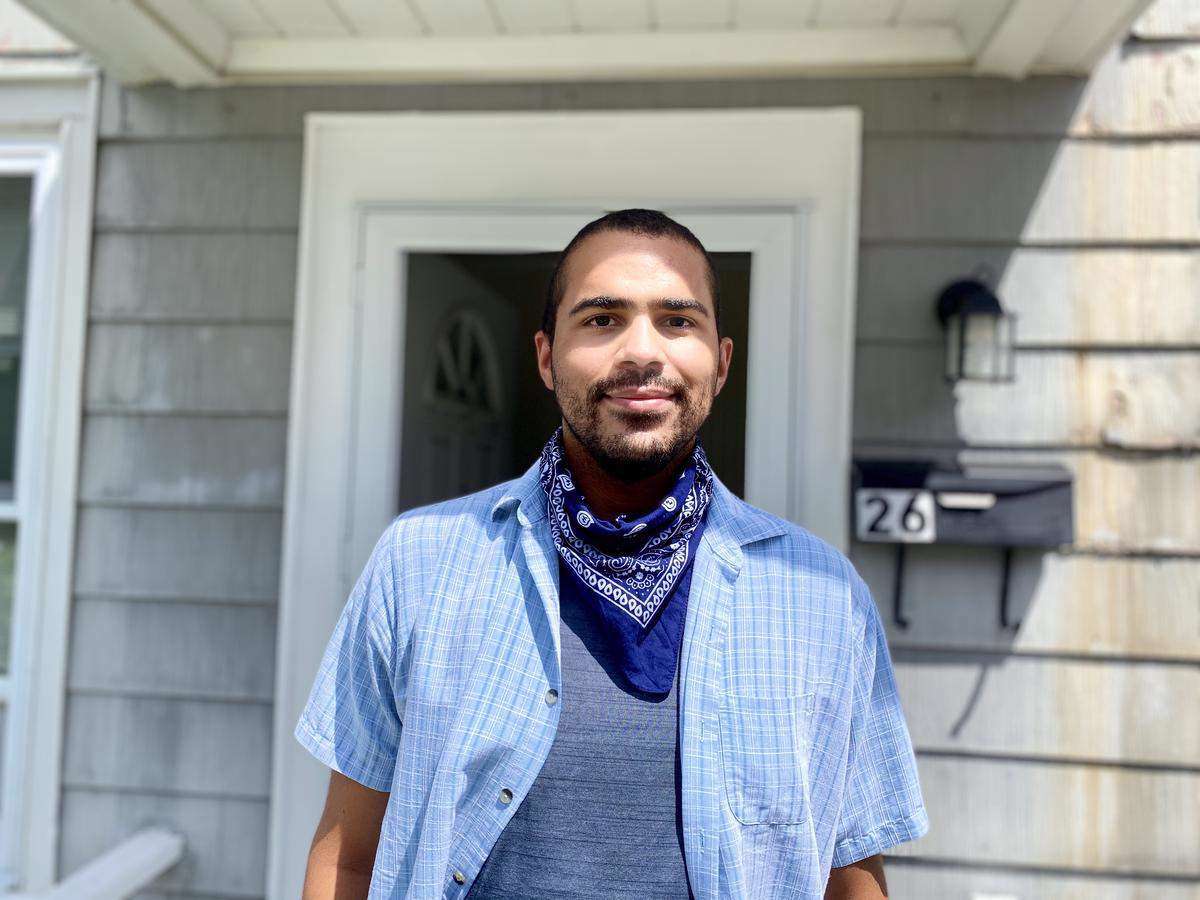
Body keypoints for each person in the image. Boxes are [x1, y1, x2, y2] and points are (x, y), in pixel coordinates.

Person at [294, 209, 929, 899]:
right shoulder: (419, 563)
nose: (642, 352)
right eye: (602, 319)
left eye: (678, 320)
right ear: (546, 358)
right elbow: (349, 859)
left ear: (721, 363)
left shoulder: (824, 599)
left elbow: (849, 877)